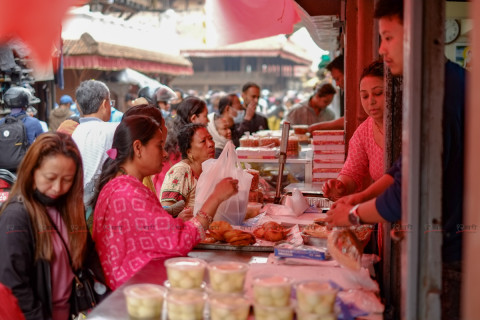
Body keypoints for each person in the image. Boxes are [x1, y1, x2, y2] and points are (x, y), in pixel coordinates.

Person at [325, 1, 465, 318]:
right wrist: (361, 195)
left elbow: (408, 193)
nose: (381, 49)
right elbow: (404, 170)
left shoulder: (438, 97)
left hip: (451, 254)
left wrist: (355, 215)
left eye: (388, 37)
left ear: (416, 33)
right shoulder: (442, 83)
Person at [91, 116, 238, 290]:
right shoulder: (128, 193)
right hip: (135, 292)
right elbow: (179, 240)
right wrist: (216, 198)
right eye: (159, 145)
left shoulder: (121, 185)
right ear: (138, 148)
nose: (165, 153)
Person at [0, 133, 88, 320]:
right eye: (50, 178)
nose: (57, 188)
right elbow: (14, 285)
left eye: (67, 179)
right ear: (32, 172)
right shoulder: (16, 217)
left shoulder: (69, 209)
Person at [322, 60, 385, 201]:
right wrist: (340, 185)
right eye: (365, 96)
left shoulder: (412, 128)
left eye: (378, 93)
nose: (371, 101)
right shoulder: (363, 132)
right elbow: (352, 171)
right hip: (384, 216)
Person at [71, 80, 119, 211]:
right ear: (105, 104)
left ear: (79, 106)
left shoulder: (75, 132)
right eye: (110, 102)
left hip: (77, 202)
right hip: (99, 204)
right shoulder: (112, 130)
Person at [153, 96, 210, 198]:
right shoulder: (186, 146)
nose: (208, 121)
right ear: (193, 118)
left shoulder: (172, 139)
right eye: (205, 116)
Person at [160, 123, 215, 210]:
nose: (211, 144)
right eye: (203, 141)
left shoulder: (209, 170)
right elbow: (167, 212)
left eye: (211, 139)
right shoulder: (180, 171)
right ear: (189, 152)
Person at [308, 55, 346, 132]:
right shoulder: (296, 111)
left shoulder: (330, 114)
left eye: (338, 79)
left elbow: (349, 120)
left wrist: (317, 127)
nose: (337, 84)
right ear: (317, 96)